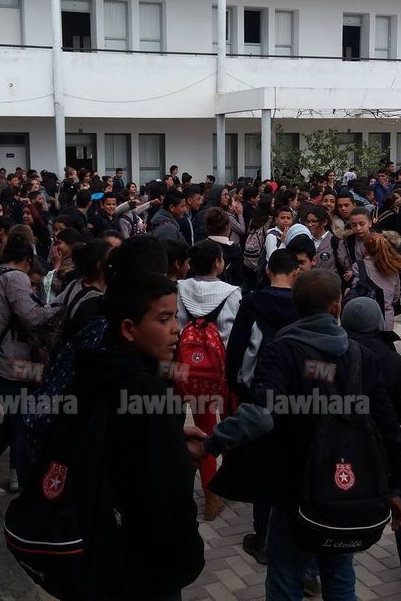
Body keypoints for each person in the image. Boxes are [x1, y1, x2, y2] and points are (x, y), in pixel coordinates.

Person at [190, 269, 401, 601]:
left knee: (285, 577)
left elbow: (260, 415)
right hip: (346, 487)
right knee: (340, 577)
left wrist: (210, 444)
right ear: (337, 307)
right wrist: (394, 487)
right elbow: (387, 426)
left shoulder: (281, 352)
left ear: (295, 305)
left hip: (292, 489)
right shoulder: (360, 355)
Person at [61, 270, 205, 599]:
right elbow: (168, 496)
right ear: (128, 328)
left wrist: (171, 437)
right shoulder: (149, 391)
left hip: (96, 549)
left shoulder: (92, 370)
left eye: (176, 317)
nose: (177, 329)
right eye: (164, 319)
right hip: (142, 565)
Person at [340, 297, 401, 592]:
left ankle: (311, 571)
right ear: (378, 323)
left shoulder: (331, 353)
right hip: (380, 444)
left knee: (331, 497)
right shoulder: (389, 359)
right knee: (400, 499)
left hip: (337, 444)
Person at [0, 237, 62, 495]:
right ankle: (21, 483)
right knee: (22, 422)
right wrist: (63, 302)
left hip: (2, 359)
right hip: (13, 362)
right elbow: (33, 317)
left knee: (15, 419)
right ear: (27, 261)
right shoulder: (15, 277)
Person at [224, 248, 300, 564]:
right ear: (296, 273)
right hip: (297, 397)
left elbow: (236, 349)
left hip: (256, 394)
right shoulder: (302, 304)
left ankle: (262, 536)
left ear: (267, 270)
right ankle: (292, 529)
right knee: (292, 461)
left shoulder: (251, 303)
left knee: (262, 463)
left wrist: (236, 387)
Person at [175, 239, 242, 520]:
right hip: (222, 370)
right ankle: (230, 481)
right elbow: (234, 334)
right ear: (218, 263)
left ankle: (209, 493)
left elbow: (177, 325)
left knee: (203, 427)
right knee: (228, 423)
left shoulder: (180, 288)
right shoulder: (232, 293)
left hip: (190, 369)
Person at [350, 233, 401, 333]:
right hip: (386, 317)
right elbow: (396, 297)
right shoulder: (392, 267)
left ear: (365, 249)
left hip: (365, 316)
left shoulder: (359, 266)